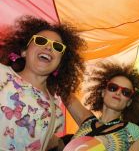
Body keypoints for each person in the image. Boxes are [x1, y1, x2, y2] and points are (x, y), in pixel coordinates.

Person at [0, 15, 85, 150]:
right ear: (24, 51)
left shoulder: (55, 112)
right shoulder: (1, 73)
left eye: (57, 46)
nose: (48, 47)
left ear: (60, 63)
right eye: (40, 41)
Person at [69, 62, 139, 151]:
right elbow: (64, 90)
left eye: (125, 92)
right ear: (103, 92)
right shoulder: (87, 121)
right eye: (113, 87)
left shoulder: (133, 132)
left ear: (129, 102)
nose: (118, 93)